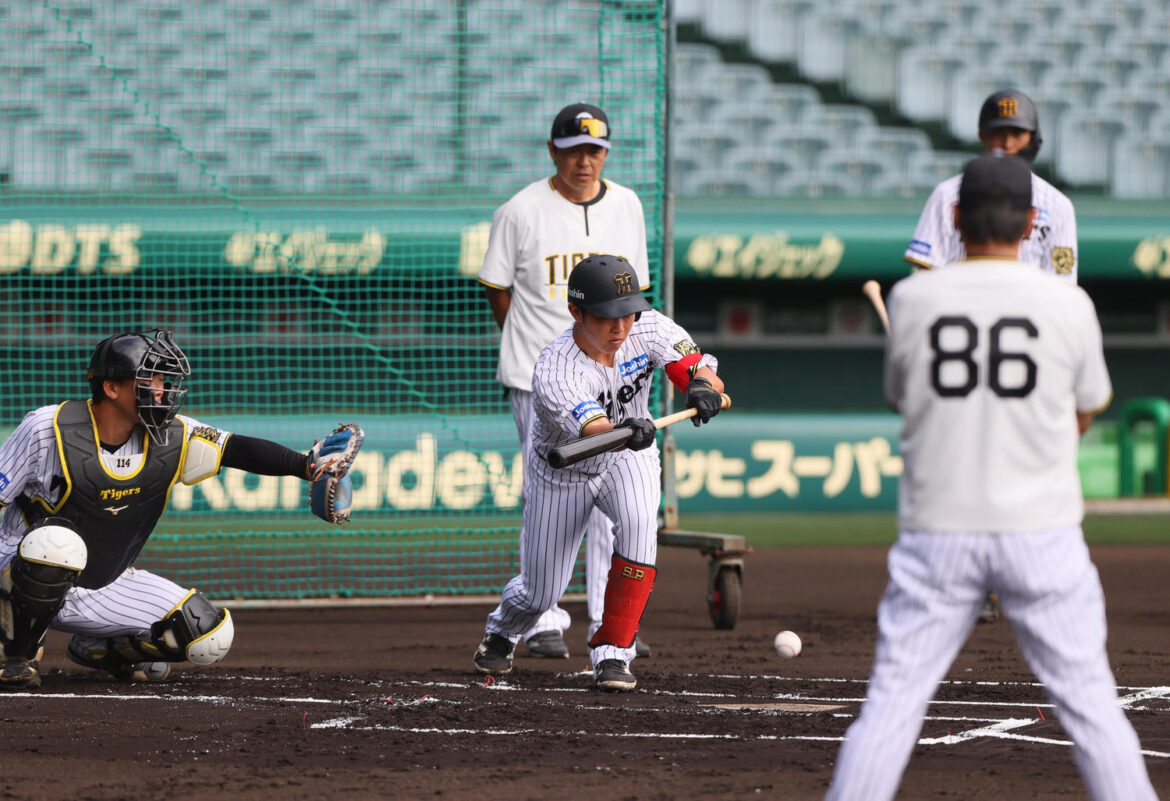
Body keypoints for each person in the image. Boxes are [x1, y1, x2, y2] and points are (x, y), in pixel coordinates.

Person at [824, 154, 1157, 800]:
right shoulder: (1069, 303)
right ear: (1033, 221)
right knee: (1092, 707)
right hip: (1042, 530)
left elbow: (902, 396)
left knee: (892, 706)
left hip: (938, 532)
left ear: (956, 218)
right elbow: (1087, 407)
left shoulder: (913, 300)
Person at [0, 330, 361, 689]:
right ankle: (15, 653)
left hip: (102, 582)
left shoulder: (174, 435)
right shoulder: (47, 429)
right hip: (17, 573)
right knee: (57, 543)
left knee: (208, 633)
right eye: (151, 379)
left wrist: (306, 466)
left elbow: (235, 449)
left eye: (163, 379)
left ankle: (99, 649)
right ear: (112, 388)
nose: (162, 389)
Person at [472, 254, 725, 691]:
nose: (621, 327)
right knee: (541, 592)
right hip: (565, 471)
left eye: (627, 312)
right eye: (607, 316)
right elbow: (598, 431)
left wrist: (701, 387)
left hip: (630, 456)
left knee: (641, 523)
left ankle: (613, 652)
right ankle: (502, 629)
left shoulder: (647, 325)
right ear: (576, 312)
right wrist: (629, 430)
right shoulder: (555, 369)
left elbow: (697, 368)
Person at [477, 102, 652, 660]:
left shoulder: (627, 204)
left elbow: (637, 293)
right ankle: (543, 615)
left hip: (611, 373)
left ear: (606, 153)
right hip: (540, 380)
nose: (585, 160)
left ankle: (608, 618)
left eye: (595, 149)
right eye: (574, 149)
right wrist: (538, 353)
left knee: (614, 489)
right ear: (554, 150)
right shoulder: (520, 210)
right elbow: (497, 287)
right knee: (552, 492)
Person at [905, 88, 1079, 622]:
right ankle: (968, 582)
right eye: (998, 132)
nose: (1006, 142)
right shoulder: (947, 196)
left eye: (1016, 133)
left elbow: (1064, 291)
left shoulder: (1057, 205)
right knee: (960, 465)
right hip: (962, 354)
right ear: (982, 136)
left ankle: (1019, 579)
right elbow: (924, 275)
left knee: (1019, 469)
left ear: (1033, 140)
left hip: (1025, 360)